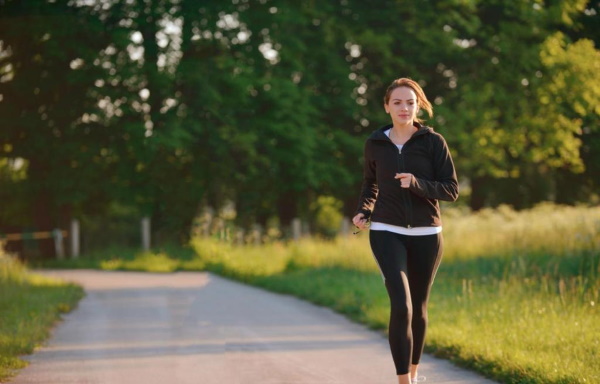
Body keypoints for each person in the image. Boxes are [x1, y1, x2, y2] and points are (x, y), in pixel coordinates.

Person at [352, 78, 458, 384]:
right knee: (401, 304)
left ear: (418, 105)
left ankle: (414, 372)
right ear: (386, 106)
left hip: (427, 233)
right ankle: (403, 381)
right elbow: (370, 184)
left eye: (410, 102)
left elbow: (451, 189)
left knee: (419, 310)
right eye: (397, 102)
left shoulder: (433, 142)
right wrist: (364, 210)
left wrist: (417, 183)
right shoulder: (375, 143)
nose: (404, 108)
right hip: (387, 230)